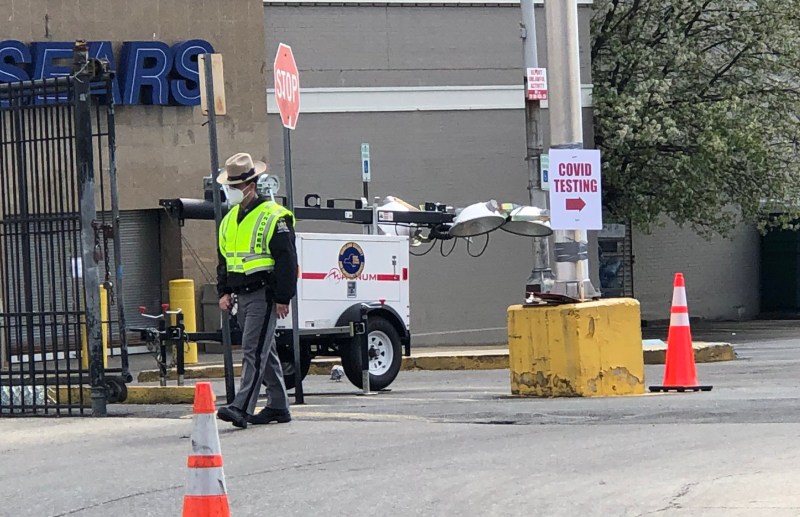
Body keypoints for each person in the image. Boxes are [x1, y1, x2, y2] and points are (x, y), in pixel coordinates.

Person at [214, 152, 297, 429]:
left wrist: (283, 297)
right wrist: (223, 292)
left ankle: (241, 407)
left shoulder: (274, 216)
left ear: (250, 185)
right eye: (228, 187)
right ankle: (278, 406)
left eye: (234, 188)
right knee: (265, 350)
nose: (230, 192)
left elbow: (287, 260)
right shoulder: (229, 220)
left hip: (264, 293)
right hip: (242, 296)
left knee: (253, 349)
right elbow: (224, 260)